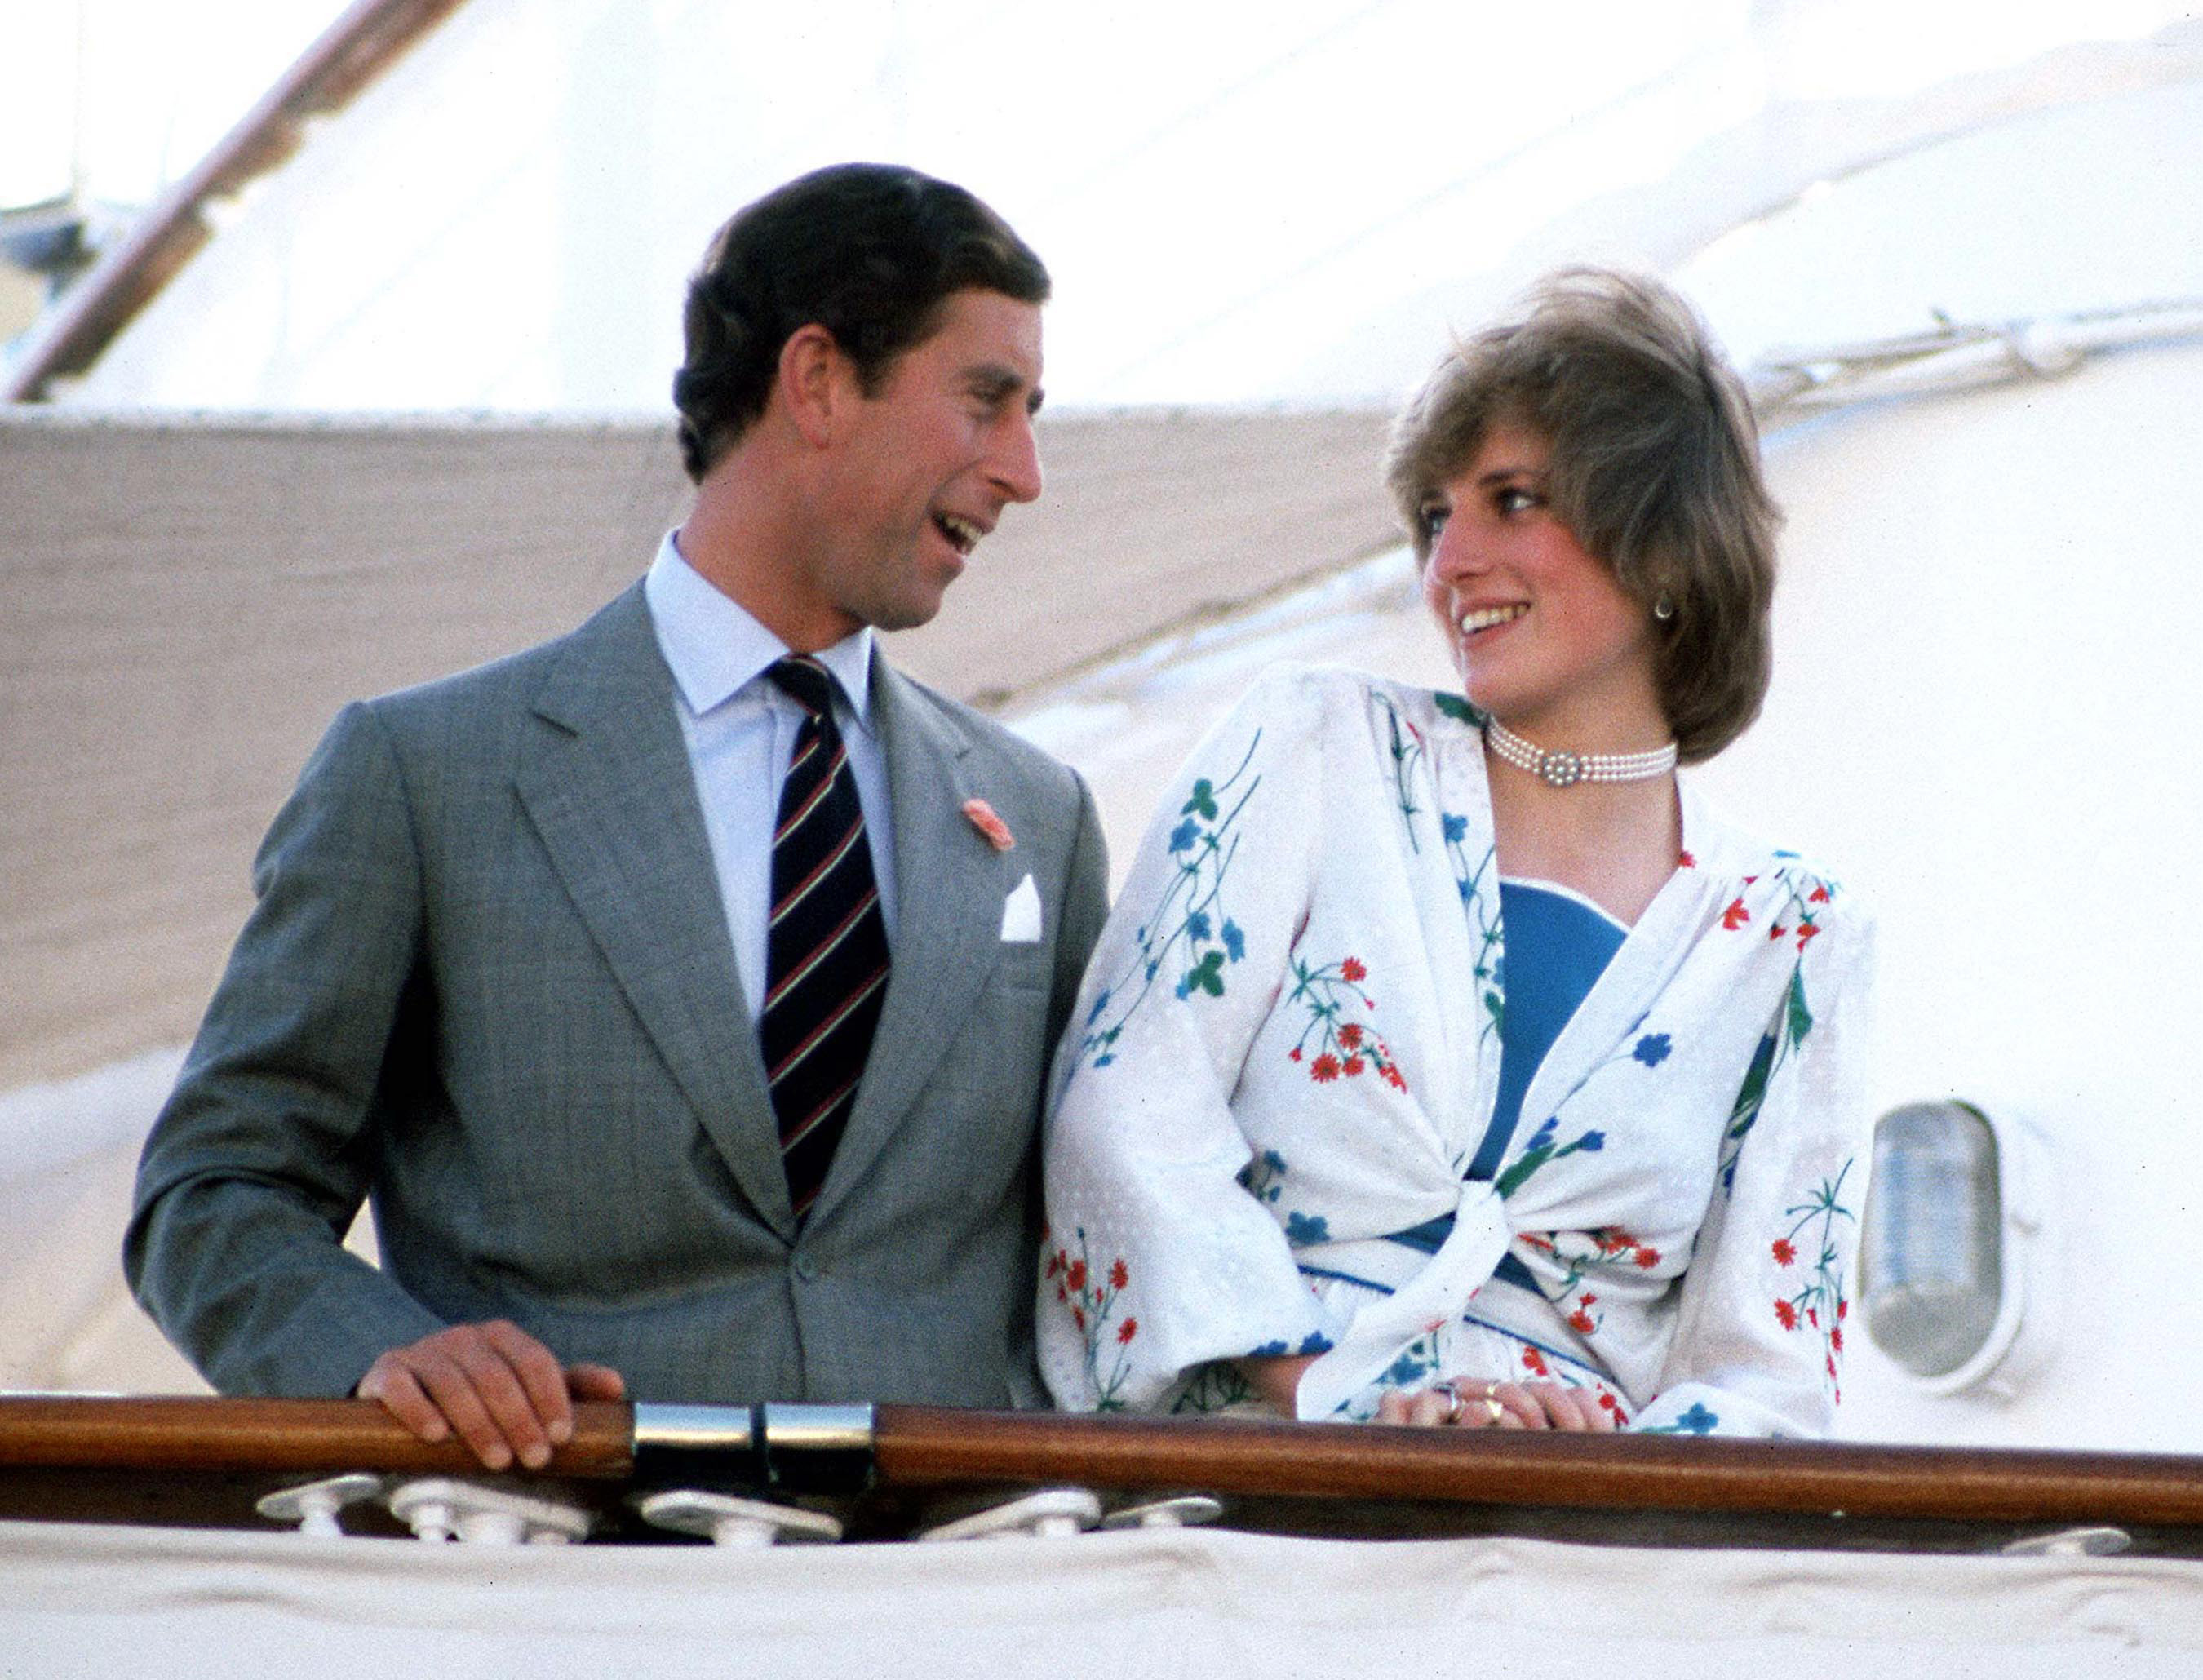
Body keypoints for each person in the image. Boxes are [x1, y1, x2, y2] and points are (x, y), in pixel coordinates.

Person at [126, 163, 1110, 1470]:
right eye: (987, 401)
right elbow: (213, 1195)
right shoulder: (424, 776)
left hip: (964, 1602)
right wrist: (373, 1350)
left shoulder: (1038, 816)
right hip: (561, 1590)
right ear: (817, 380)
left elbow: (1119, 1219)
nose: (1026, 473)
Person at [1039, 270, 1869, 1437]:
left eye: (1513, 500)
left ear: (1667, 545)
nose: (1449, 565)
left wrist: (1609, 1457)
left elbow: (1773, 1366)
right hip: (1267, 1507)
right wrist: (1335, 1395)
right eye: (1435, 520)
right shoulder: (1315, 745)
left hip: (1572, 1562)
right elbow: (1121, 1112)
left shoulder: (1796, 932)